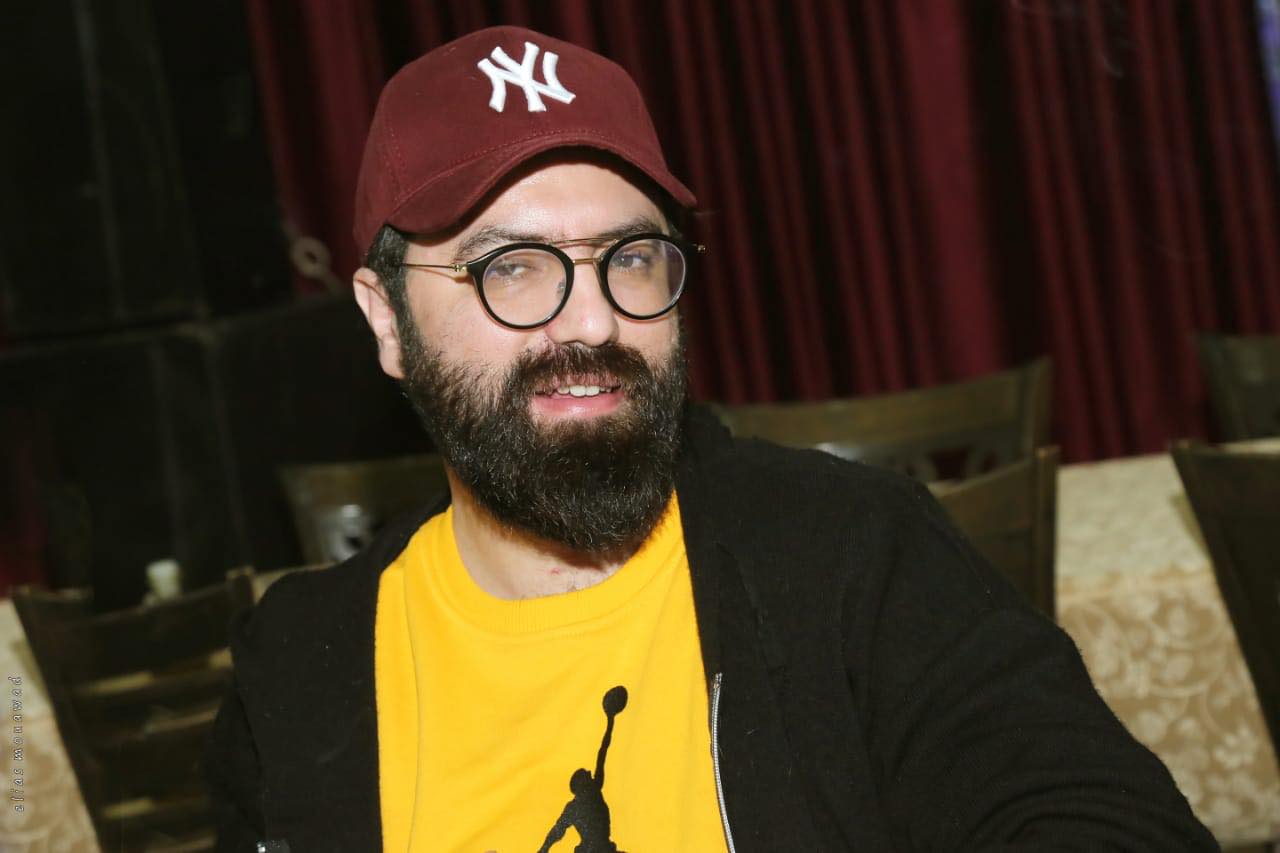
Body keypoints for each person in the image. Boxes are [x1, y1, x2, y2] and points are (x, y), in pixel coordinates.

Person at [206, 25, 1216, 851]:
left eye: (630, 257)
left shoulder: (849, 553)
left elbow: (1105, 822)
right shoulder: (298, 670)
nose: (593, 319)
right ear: (386, 320)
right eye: (510, 266)